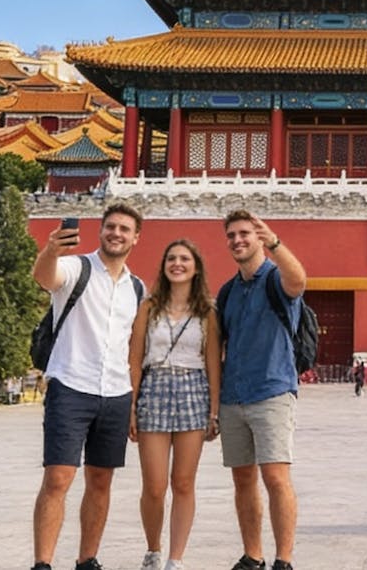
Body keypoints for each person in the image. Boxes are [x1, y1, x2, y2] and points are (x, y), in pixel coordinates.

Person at [30, 203, 144, 570]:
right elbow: (44, 278)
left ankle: (87, 559)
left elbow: (133, 349)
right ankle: (43, 563)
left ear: (135, 238)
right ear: (101, 230)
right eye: (111, 226)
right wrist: (51, 249)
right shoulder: (76, 267)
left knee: (101, 480)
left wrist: (131, 403)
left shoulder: (137, 288)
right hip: (71, 386)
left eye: (125, 229)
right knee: (58, 477)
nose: (116, 233)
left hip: (114, 392)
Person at [218, 210, 307, 570]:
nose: (238, 240)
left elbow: (299, 280)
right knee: (243, 479)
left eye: (245, 234)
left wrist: (276, 244)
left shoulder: (276, 279)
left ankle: (283, 559)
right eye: (232, 235)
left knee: (275, 477)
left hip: (272, 390)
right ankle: (253, 554)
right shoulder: (227, 291)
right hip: (233, 395)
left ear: (258, 238)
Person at [129, 239, 222, 570]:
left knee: (183, 482)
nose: (177, 263)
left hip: (192, 390)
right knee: (154, 486)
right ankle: (153, 548)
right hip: (154, 388)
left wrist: (214, 411)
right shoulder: (148, 307)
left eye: (185, 259)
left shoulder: (207, 312)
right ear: (163, 265)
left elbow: (213, 363)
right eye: (171, 258)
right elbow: (135, 358)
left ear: (196, 268)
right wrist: (132, 404)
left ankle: (175, 558)